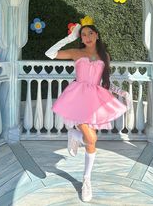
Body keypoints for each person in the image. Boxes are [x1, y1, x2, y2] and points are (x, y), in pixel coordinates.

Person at [45, 16, 132, 202]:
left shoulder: (105, 56)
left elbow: (105, 83)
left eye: (90, 33)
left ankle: (86, 179)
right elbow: (50, 53)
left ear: (97, 35)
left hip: (94, 100)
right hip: (77, 99)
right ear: (81, 38)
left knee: (90, 142)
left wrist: (120, 92)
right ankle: (76, 136)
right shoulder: (76, 52)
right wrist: (69, 38)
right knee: (92, 137)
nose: (87, 37)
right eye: (83, 35)